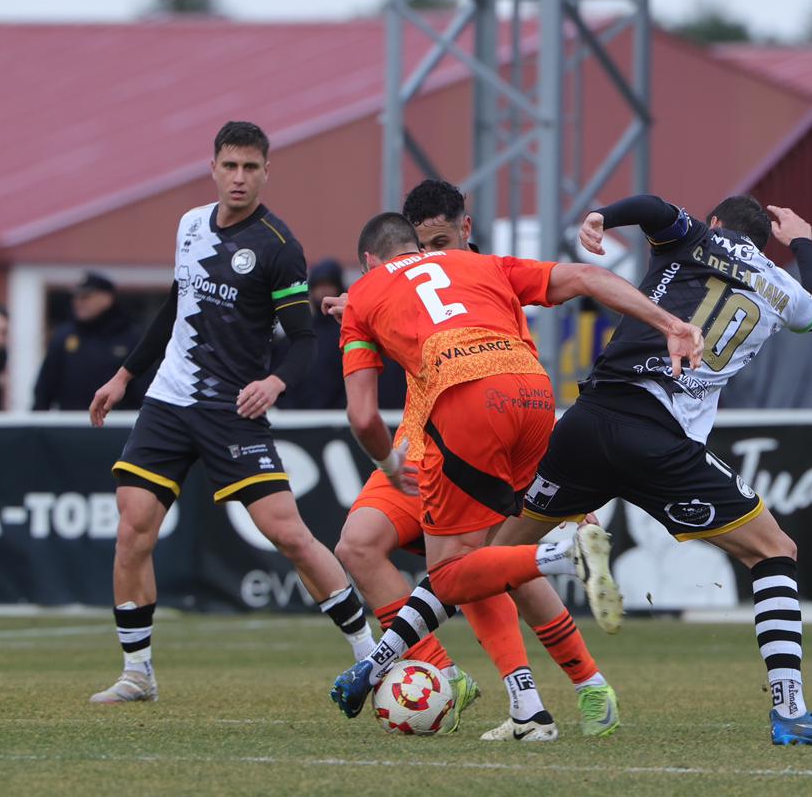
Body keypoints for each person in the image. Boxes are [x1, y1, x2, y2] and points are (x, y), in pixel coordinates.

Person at [342, 195, 812, 746]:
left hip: (587, 425)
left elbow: (654, 208)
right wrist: (802, 241)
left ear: (715, 222)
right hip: (660, 442)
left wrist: (602, 217)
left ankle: (377, 662)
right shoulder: (781, 286)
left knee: (480, 561)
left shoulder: (695, 238)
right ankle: (790, 710)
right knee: (774, 551)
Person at [328, 211, 703, 715]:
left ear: (464, 230)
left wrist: (388, 462)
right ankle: (483, 688)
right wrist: (671, 323)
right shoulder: (484, 269)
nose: (436, 250)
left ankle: (556, 673)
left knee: (468, 568)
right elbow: (586, 276)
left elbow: (361, 412)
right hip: (520, 401)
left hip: (456, 422)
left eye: (444, 238)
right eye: (429, 240)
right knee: (364, 545)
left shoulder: (389, 287)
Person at [86, 121, 375, 704]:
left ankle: (371, 655)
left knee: (289, 534)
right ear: (213, 168)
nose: (239, 177)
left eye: (250, 167)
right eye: (230, 166)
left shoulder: (278, 246)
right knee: (133, 526)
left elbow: (304, 339)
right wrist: (124, 376)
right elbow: (176, 306)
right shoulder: (191, 225)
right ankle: (138, 672)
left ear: (267, 172)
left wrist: (274, 381)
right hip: (169, 401)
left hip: (231, 408)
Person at [33, 273, 144, 412]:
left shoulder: (131, 338)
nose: (78, 303)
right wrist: (37, 420)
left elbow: (144, 387)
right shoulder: (63, 336)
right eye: (76, 297)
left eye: (85, 297)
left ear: (107, 298)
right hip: (70, 421)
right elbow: (44, 387)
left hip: (117, 421)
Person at [275, 260, 347, 409]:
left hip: (339, 418)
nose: (323, 291)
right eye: (319, 286)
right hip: (297, 417)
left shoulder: (350, 334)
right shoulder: (298, 334)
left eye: (328, 285)